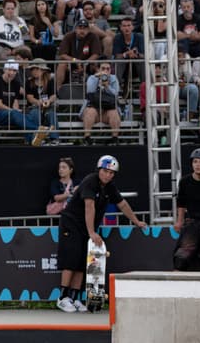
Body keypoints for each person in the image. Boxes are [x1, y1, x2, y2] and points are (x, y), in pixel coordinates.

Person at [55, 155, 146, 312]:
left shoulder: (109, 186)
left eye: (111, 173)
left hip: (86, 227)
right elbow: (89, 207)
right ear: (99, 170)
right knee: (71, 259)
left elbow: (123, 204)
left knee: (82, 262)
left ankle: (75, 298)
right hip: (71, 223)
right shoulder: (90, 181)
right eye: (105, 171)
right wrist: (92, 232)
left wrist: (136, 221)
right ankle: (62, 298)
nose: (108, 175)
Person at [0, 59, 49, 144]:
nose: (12, 73)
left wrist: (17, 111)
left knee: (32, 115)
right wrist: (14, 111)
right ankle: (38, 130)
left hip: (11, 115)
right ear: (4, 70)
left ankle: (34, 140)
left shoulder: (16, 84)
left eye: (14, 70)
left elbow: (15, 102)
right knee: (15, 113)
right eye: (9, 70)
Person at [81, 60, 121, 144]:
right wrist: (97, 78)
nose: (105, 71)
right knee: (90, 112)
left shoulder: (113, 78)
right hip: (94, 109)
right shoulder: (92, 78)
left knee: (114, 112)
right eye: (103, 68)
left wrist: (107, 86)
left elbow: (115, 94)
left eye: (108, 69)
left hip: (108, 110)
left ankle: (115, 138)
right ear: (98, 69)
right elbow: (89, 92)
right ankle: (87, 138)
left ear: (110, 70)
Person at [56, 18, 101, 87]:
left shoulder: (93, 36)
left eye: (85, 28)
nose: (82, 31)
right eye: (80, 28)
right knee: (62, 64)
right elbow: (62, 54)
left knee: (97, 66)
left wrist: (85, 63)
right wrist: (75, 60)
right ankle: (58, 91)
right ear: (76, 29)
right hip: (71, 63)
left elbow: (96, 54)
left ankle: (100, 90)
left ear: (88, 30)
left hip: (88, 63)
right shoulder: (68, 36)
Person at [26, 58, 59, 141]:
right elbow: (30, 98)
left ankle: (54, 139)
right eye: (32, 69)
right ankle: (36, 138)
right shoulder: (29, 82)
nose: (34, 71)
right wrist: (38, 102)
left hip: (48, 107)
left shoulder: (50, 81)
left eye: (37, 69)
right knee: (35, 113)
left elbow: (54, 95)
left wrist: (49, 101)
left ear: (43, 70)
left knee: (52, 114)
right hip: (34, 107)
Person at [111, 17, 144, 96]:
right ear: (121, 28)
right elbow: (116, 56)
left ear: (132, 27)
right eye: (124, 26)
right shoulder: (118, 38)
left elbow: (144, 55)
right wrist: (126, 54)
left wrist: (136, 54)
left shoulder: (140, 37)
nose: (127, 28)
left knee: (141, 61)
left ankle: (145, 88)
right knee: (119, 61)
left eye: (129, 25)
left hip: (136, 68)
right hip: (123, 69)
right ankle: (116, 91)